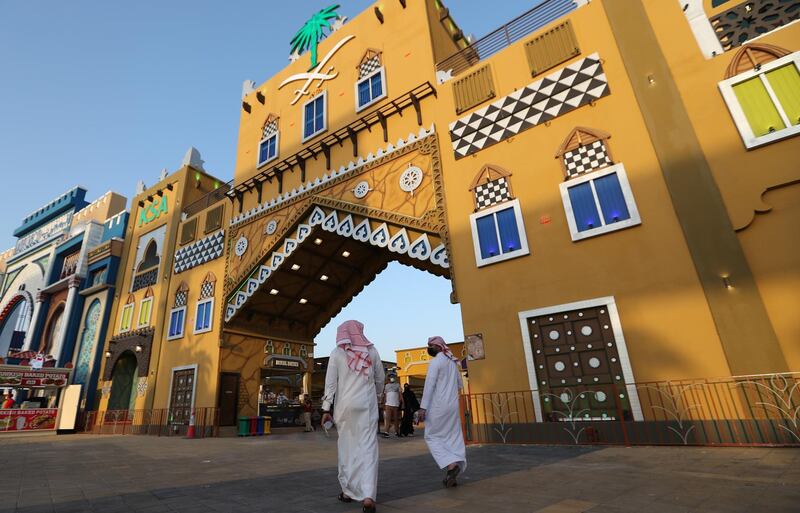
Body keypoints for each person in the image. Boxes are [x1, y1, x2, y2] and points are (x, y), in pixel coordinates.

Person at [321, 320, 384, 513]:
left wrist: (325, 409)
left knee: (347, 449)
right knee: (368, 448)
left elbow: (330, 384)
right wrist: (379, 397)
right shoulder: (371, 351)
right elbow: (380, 378)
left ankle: (348, 492)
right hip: (367, 406)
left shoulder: (337, 352)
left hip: (345, 408)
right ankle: (368, 497)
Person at [417, 336, 467, 488]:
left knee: (432, 436)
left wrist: (423, 407)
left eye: (430, 346)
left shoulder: (435, 362)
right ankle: (452, 471)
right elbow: (460, 384)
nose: (428, 348)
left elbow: (429, 386)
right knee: (452, 436)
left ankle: (451, 464)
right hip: (452, 406)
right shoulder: (452, 362)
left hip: (438, 407)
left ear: (438, 347)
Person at [381, 373, 402, 438]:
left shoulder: (398, 385)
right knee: (388, 419)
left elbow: (400, 394)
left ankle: (397, 432)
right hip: (388, 404)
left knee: (396, 419)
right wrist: (383, 403)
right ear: (389, 378)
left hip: (395, 404)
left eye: (393, 376)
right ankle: (386, 432)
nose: (392, 378)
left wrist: (402, 402)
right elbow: (385, 395)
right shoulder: (386, 386)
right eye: (391, 377)